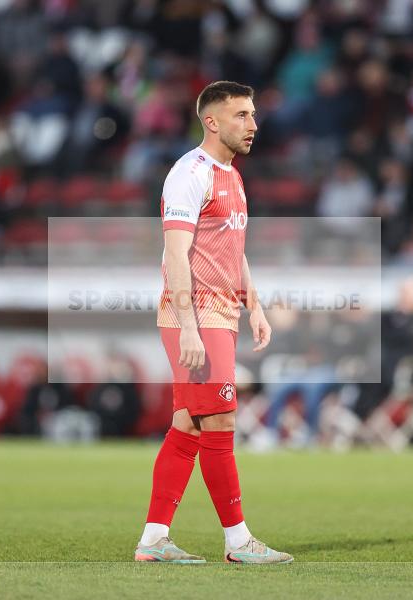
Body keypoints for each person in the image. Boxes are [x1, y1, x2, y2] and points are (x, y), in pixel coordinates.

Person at [135, 81, 293, 565]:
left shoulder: (232, 175)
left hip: (219, 312)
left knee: (189, 427)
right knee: (221, 421)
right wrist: (187, 326)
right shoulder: (189, 173)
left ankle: (154, 539)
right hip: (196, 312)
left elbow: (234, 248)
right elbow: (177, 254)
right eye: (242, 115)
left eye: (253, 114)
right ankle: (239, 542)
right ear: (212, 121)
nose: (253, 124)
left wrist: (254, 305)